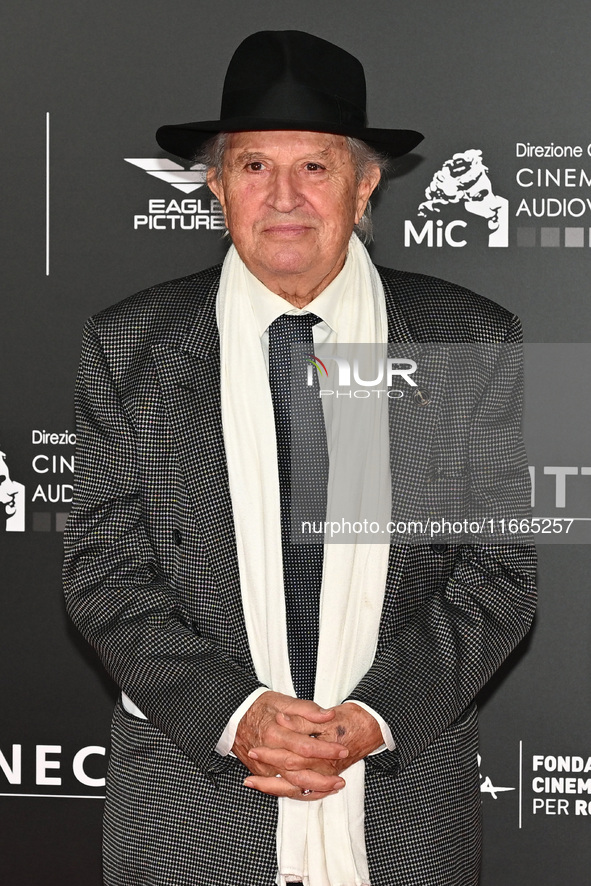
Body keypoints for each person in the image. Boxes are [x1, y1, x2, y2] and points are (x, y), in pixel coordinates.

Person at [63, 30, 536, 886]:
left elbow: (499, 575)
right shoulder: (128, 344)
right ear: (215, 186)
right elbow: (102, 567)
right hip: (191, 818)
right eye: (252, 167)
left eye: (313, 167)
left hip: (402, 821)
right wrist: (236, 715)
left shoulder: (468, 337)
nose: (283, 197)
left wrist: (374, 719)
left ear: (363, 187)